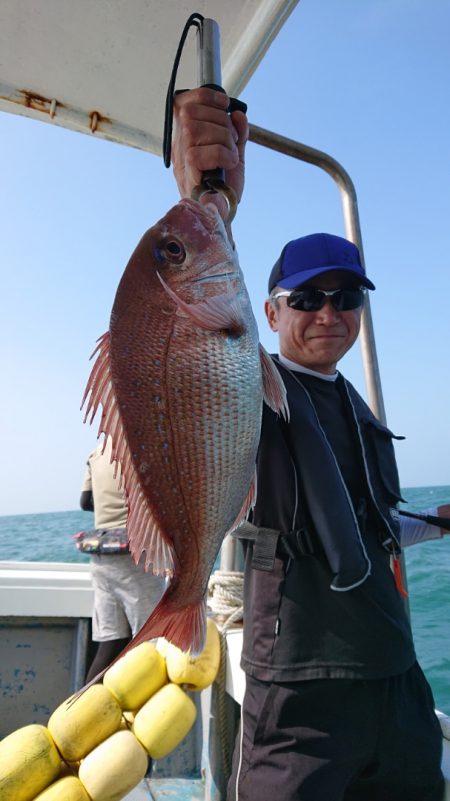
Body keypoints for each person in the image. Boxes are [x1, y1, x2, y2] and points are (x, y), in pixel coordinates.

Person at [170, 87, 450, 801]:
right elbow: (194, 315)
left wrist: (433, 525)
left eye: (346, 298)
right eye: (307, 298)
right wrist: (209, 201)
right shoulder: (251, 384)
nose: (329, 313)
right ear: (268, 311)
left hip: (395, 676)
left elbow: (364, 528)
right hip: (299, 686)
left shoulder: (356, 406)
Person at [80, 436, 165, 682]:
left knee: (111, 642)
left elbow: (85, 502)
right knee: (149, 645)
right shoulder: (146, 448)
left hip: (103, 557)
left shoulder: (95, 454)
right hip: (138, 557)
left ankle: (78, 712)